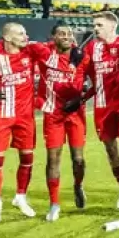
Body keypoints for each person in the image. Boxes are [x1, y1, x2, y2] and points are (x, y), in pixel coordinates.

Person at [74, 11, 119, 210]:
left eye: (99, 25)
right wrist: (80, 95)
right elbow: (82, 72)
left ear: (112, 26)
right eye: (94, 25)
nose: (95, 28)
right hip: (102, 107)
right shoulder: (91, 47)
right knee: (110, 149)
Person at [0, 23, 52, 224]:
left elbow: (53, 49)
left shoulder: (30, 51)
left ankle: (20, 197)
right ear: (7, 37)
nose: (26, 36)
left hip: (25, 117)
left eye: (25, 32)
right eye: (20, 33)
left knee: (27, 158)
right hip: (1, 115)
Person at [36, 23, 87, 221]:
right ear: (53, 37)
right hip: (53, 114)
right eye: (61, 33)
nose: (66, 36)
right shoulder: (43, 52)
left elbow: (95, 81)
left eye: (69, 33)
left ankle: (78, 185)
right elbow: (11, 41)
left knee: (78, 160)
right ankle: (54, 204)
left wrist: (81, 97)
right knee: (53, 159)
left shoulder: (81, 55)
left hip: (75, 114)